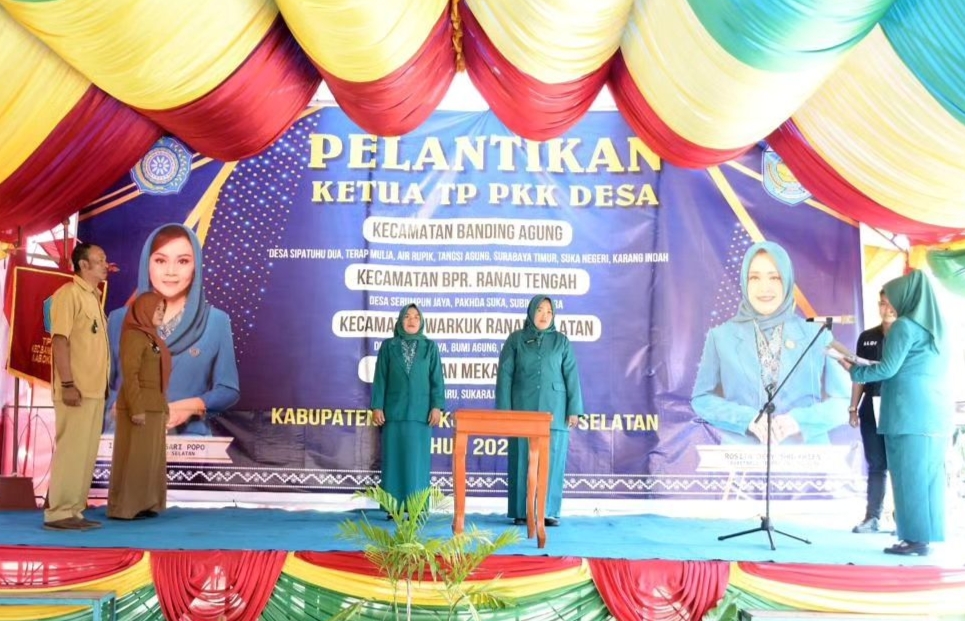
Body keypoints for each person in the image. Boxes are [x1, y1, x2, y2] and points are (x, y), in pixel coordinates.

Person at [692, 241, 850, 444]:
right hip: (743, 455)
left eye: (774, 277)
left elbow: (846, 401)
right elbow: (702, 399)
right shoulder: (720, 337)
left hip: (805, 455)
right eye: (754, 277)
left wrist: (799, 421)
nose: (764, 288)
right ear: (744, 282)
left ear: (787, 281)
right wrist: (747, 419)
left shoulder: (818, 335)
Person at [843, 270, 952, 556]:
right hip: (935, 414)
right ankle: (925, 536)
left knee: (908, 477)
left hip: (907, 412)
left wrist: (854, 370)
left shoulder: (904, 326)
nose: (890, 305)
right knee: (929, 479)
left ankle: (914, 540)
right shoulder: (939, 329)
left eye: (893, 298)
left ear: (907, 297)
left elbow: (888, 369)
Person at [107, 223, 239, 435]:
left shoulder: (216, 321)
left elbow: (228, 389)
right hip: (126, 436)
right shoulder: (118, 320)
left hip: (189, 441)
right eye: (160, 260)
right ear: (147, 264)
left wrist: (192, 405)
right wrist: (121, 403)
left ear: (196, 267)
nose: (170, 272)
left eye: (183, 261)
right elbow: (100, 387)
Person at [496, 295, 583, 527]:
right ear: (531, 312)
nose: (544, 315)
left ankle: (548, 511)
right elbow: (505, 375)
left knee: (551, 460)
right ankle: (521, 511)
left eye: (549, 311)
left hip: (555, 409)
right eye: (540, 310)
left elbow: (571, 376)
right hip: (521, 407)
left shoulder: (561, 341)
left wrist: (574, 410)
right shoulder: (516, 339)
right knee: (521, 458)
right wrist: (504, 412)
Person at [44, 243, 111, 531]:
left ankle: (74, 510)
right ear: (83, 265)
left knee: (85, 453)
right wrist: (68, 383)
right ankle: (58, 512)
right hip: (76, 389)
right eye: (100, 259)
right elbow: (60, 340)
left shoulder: (93, 297)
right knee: (71, 450)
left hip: (94, 389)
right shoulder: (68, 294)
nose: (106, 264)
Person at [370, 304, 445, 513]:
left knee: (417, 463)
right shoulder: (388, 346)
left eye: (416, 317)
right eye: (407, 317)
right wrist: (377, 406)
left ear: (421, 322)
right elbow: (380, 378)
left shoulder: (430, 347)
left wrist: (437, 406)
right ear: (400, 320)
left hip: (421, 415)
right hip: (393, 414)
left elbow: (437, 380)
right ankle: (392, 507)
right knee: (394, 462)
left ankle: (416, 507)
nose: (412, 320)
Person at [108, 291, 171, 520]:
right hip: (139, 406)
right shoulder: (133, 336)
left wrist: (164, 407)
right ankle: (126, 507)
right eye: (156, 309)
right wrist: (136, 408)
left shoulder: (152, 337)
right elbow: (130, 374)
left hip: (154, 405)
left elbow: (159, 377)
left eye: (162, 309)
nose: (161, 313)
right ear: (143, 310)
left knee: (149, 459)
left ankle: (146, 503)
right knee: (134, 458)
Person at [849, 290, 896, 534]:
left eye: (892, 305)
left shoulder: (908, 335)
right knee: (876, 463)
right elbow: (859, 375)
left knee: (900, 464)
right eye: (883, 304)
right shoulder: (867, 337)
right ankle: (872, 517)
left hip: (899, 407)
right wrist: (853, 408)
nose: (887, 309)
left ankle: (905, 519)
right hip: (871, 406)